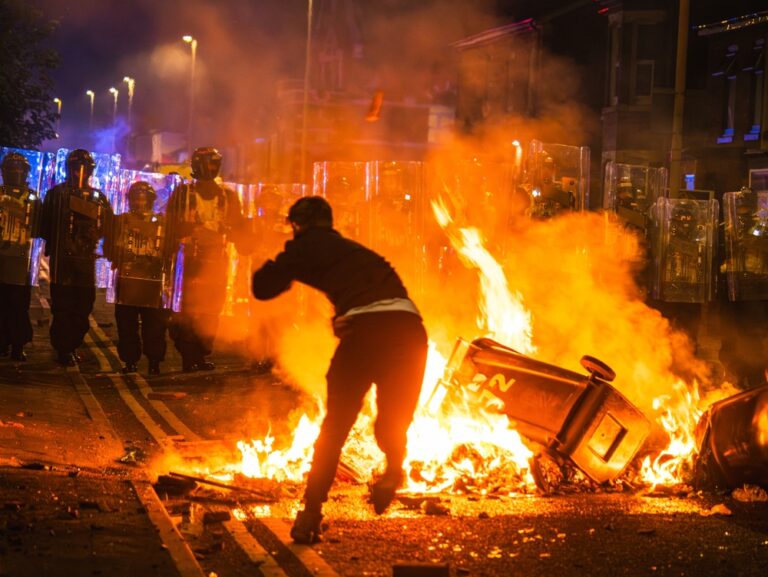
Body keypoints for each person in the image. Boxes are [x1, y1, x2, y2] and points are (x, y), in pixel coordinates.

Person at [251, 196, 428, 544]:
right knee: (393, 421)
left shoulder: (304, 248)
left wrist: (270, 265)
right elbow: (372, 290)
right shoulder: (355, 250)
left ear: (297, 225)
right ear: (330, 222)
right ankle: (393, 468)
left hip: (365, 332)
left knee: (335, 428)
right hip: (410, 329)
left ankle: (311, 512)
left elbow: (263, 288)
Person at [166, 147, 248, 372]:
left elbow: (238, 227)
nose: (211, 169)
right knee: (188, 309)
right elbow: (170, 226)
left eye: (215, 164)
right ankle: (188, 354)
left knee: (211, 309)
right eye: (207, 164)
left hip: (217, 261)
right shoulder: (183, 194)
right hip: (189, 260)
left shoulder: (228, 196)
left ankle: (201, 353)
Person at [39, 149, 112, 366]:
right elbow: (44, 226)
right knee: (63, 308)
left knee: (82, 309)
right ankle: (64, 349)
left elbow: (108, 226)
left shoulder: (98, 198)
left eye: (84, 168)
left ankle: (70, 345)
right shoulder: (55, 195)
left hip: (86, 262)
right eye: (76, 167)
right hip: (63, 263)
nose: (80, 172)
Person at [106, 181, 169, 376]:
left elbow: (169, 250)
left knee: (155, 326)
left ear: (151, 201)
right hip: (127, 281)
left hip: (153, 282)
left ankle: (154, 361)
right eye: (136, 199)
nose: (140, 203)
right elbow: (110, 247)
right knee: (127, 327)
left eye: (144, 199)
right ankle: (131, 361)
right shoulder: (121, 221)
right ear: (130, 200)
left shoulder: (162, 223)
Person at [0, 152, 42, 361]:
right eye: (12, 169)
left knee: (18, 307)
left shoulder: (32, 198)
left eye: (20, 170)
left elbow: (39, 228)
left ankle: (17, 345)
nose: (16, 173)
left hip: (21, 262)